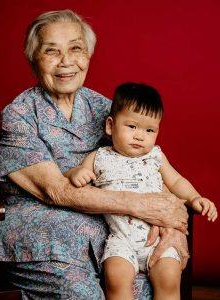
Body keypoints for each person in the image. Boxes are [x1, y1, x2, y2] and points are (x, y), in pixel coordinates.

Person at [0, 10, 190, 300]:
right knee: (84, 294)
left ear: (88, 55)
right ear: (33, 59)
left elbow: (146, 167)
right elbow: (56, 191)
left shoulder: (105, 108)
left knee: (153, 282)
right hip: (49, 244)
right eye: (52, 51)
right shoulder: (19, 115)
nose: (66, 61)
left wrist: (173, 226)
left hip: (111, 237)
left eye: (76, 48)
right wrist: (141, 206)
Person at [66, 82, 218, 300]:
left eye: (149, 130)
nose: (140, 136)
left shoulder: (155, 156)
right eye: (132, 126)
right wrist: (76, 173)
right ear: (110, 126)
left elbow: (176, 181)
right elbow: (71, 174)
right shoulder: (100, 157)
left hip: (158, 241)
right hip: (121, 240)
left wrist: (195, 198)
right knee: (116, 277)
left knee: (169, 277)